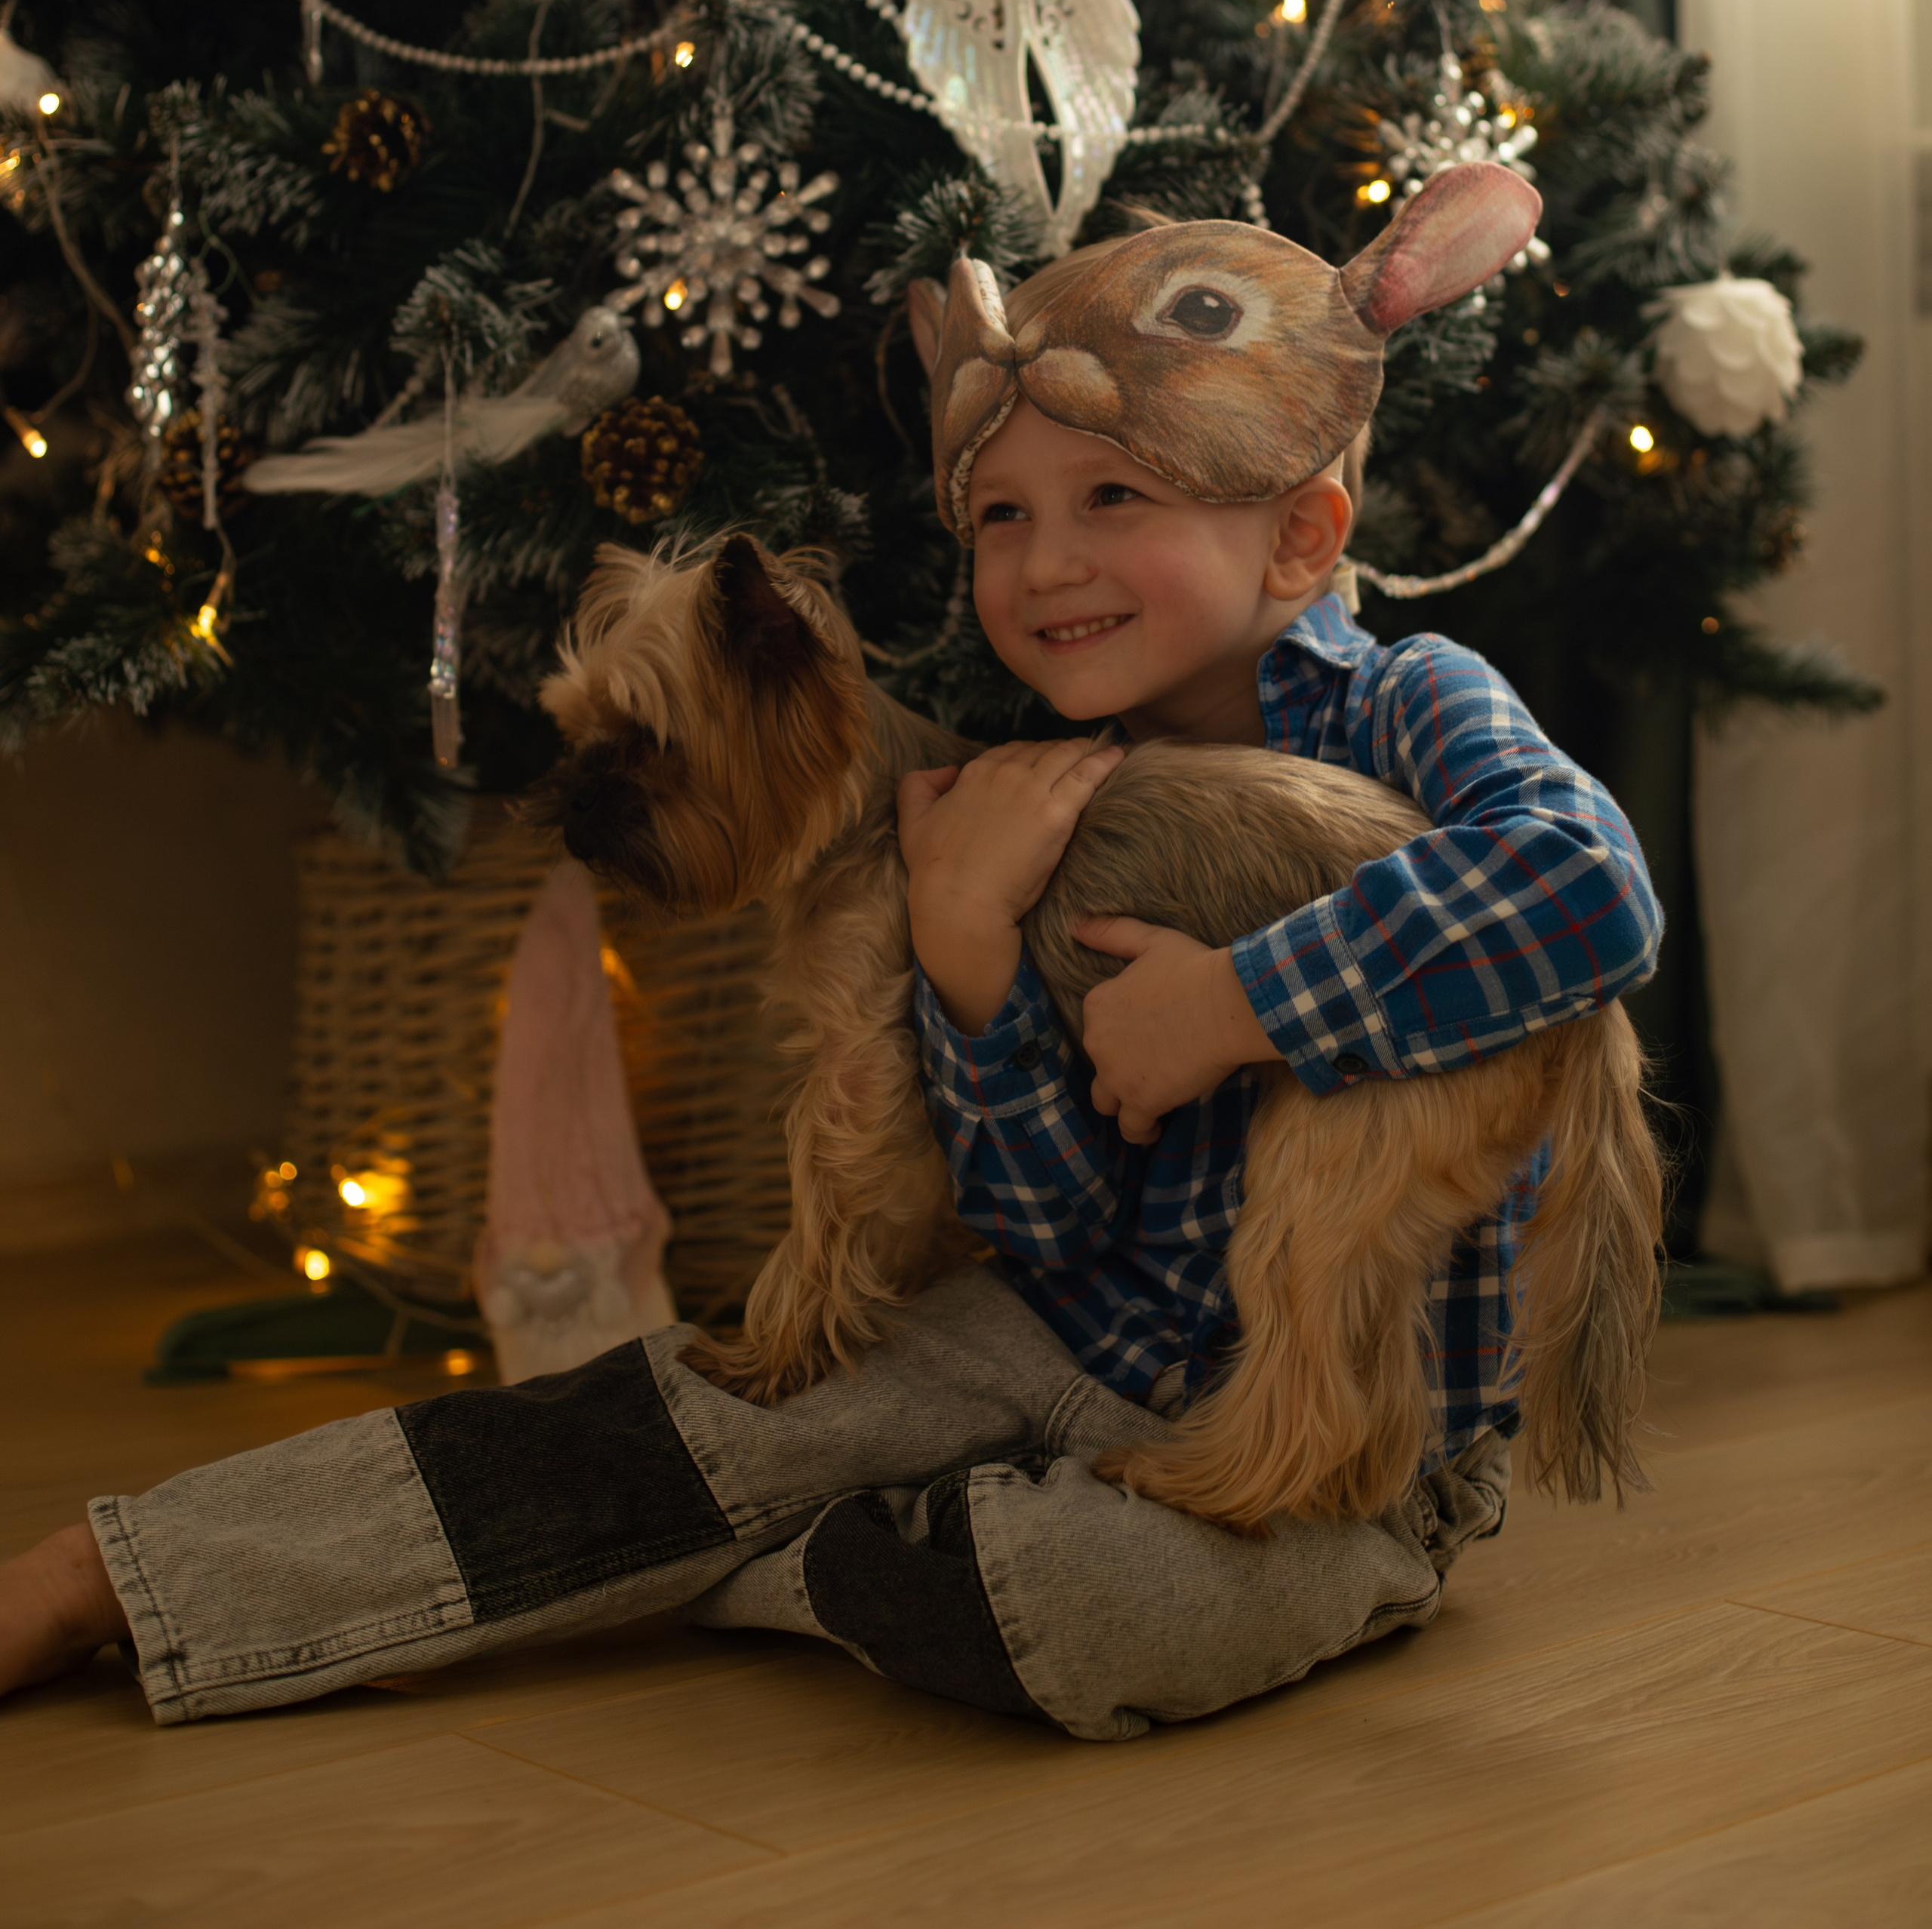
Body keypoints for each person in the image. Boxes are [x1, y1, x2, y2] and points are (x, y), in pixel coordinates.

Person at [0, 171, 1660, 1741]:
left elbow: (1588, 892)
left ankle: (729, 1563)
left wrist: (1232, 1009)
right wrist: (966, 958)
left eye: (1112, 498)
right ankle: (127, 1575)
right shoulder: (1001, 803)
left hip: (1349, 1447)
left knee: (1090, 1606)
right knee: (672, 1411)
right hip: (1057, 1327)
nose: (1046, 562)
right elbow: (1043, 1217)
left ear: (1300, 533)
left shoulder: (1409, 703)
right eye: (996, 516)